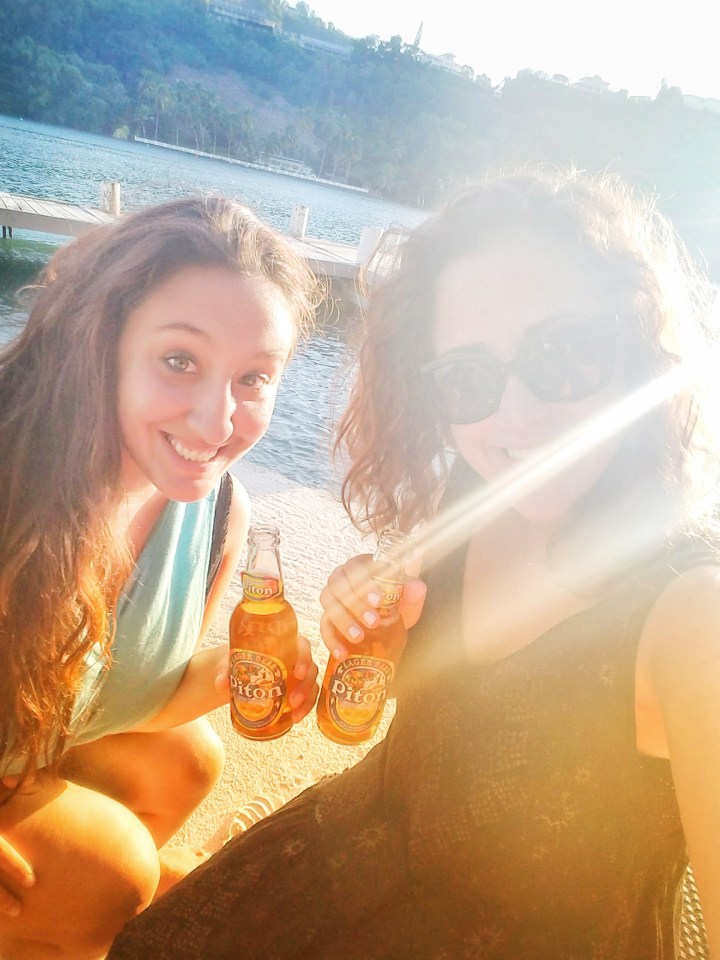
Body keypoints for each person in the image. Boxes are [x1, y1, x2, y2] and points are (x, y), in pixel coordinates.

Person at [107, 166, 720, 960]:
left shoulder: (692, 616)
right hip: (334, 861)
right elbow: (444, 720)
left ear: (638, 348)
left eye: (563, 354)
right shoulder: (476, 497)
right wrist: (377, 639)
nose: (518, 416)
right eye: (468, 378)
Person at [0, 195, 322, 959]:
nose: (216, 424)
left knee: (187, 760)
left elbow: (126, 695)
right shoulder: (15, 469)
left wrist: (237, 670)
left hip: (25, 748)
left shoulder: (214, 515)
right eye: (180, 360)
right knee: (114, 869)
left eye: (254, 378)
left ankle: (66, 926)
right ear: (100, 342)